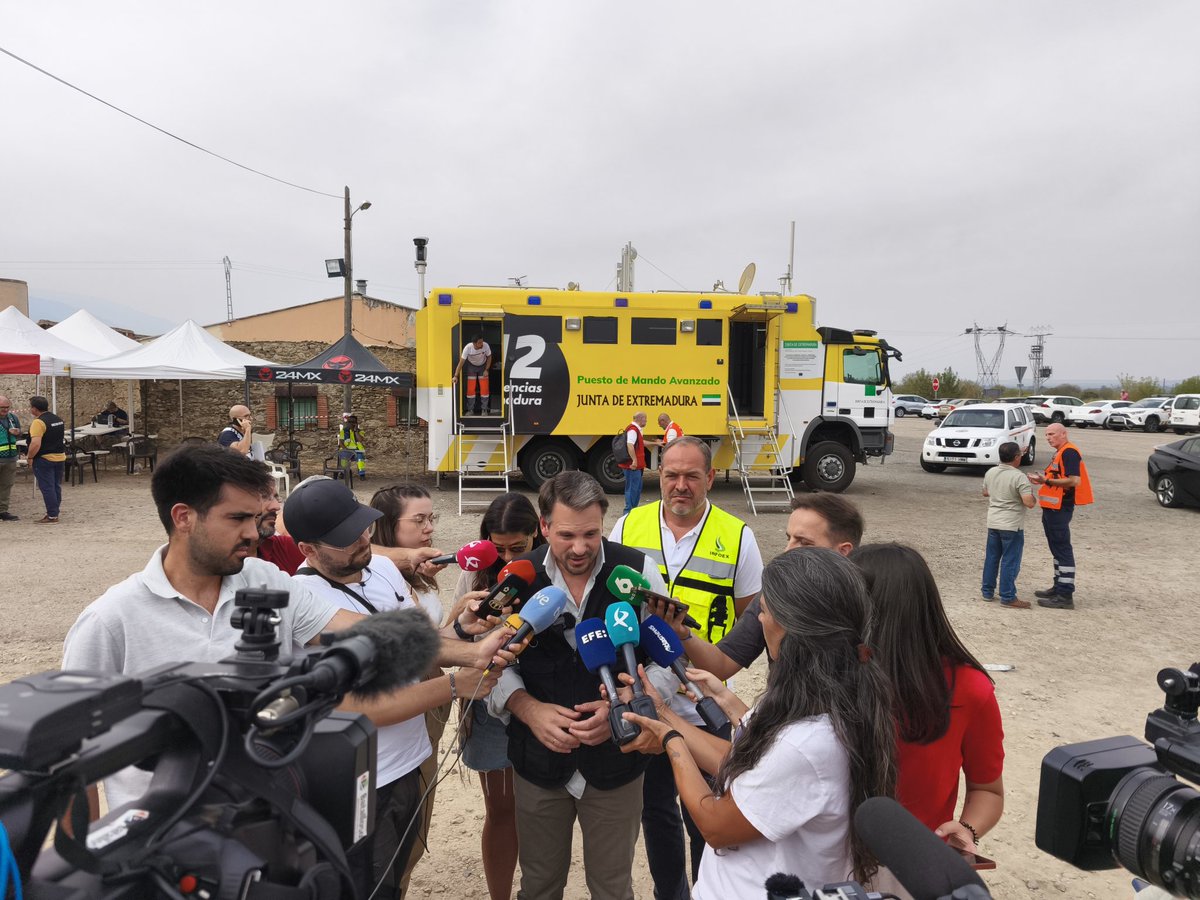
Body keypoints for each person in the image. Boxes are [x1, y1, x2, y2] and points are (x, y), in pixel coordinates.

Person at [61, 445, 514, 818]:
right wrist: (80, 857)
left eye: (255, 519)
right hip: (163, 844)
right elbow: (71, 762)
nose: (253, 534)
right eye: (237, 519)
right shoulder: (111, 621)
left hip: (272, 823)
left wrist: (469, 652)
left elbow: (365, 633)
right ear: (184, 517)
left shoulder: (264, 581)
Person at [618, 549, 897, 898]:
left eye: (763, 611)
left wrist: (671, 741)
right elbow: (742, 763)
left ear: (789, 627)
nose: (760, 620)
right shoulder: (821, 699)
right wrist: (661, 713)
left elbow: (716, 825)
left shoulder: (807, 740)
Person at [287, 479, 502, 897]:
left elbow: (416, 647)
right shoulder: (303, 601)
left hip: (410, 760)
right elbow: (359, 707)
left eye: (363, 526)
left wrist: (462, 634)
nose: (362, 539)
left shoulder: (384, 568)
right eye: (344, 537)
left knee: (395, 875)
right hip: (356, 782)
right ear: (308, 551)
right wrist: (459, 683)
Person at [487, 471, 676, 900]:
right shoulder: (517, 577)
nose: (580, 548)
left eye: (591, 534)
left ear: (603, 523)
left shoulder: (638, 572)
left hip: (618, 762)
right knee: (538, 886)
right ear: (544, 525)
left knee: (612, 888)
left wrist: (631, 707)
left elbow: (668, 657)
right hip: (537, 764)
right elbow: (493, 662)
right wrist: (525, 707)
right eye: (567, 535)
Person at [609, 435, 763, 898]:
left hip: (706, 707)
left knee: (707, 817)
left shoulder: (739, 537)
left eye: (691, 476)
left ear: (710, 478)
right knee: (655, 813)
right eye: (671, 475)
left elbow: (752, 623)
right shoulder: (628, 526)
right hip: (648, 700)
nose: (680, 485)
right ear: (659, 474)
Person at [849, 543, 1005, 854]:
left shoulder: (969, 689)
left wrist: (968, 828)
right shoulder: (828, 674)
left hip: (911, 863)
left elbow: (988, 789)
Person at [649, 492, 863, 682]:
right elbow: (722, 664)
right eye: (789, 539)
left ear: (843, 551)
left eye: (804, 543)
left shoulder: (874, 599)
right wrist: (683, 632)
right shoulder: (773, 596)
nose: (787, 551)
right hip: (786, 721)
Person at [447, 492, 544, 900]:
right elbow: (446, 635)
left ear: (537, 534)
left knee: (541, 811)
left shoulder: (555, 570)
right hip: (487, 704)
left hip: (543, 698)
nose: (505, 559)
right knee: (502, 812)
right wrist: (468, 619)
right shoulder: (475, 575)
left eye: (516, 548)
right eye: (497, 547)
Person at [368, 483, 452, 891]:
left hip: (429, 715)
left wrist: (464, 624)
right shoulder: (370, 578)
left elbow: (435, 642)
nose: (429, 528)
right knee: (394, 842)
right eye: (418, 520)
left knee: (417, 829)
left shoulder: (417, 578)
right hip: (402, 718)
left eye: (431, 518)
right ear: (385, 527)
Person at [1030, 422, 1093, 610]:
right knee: (1057, 548)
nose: (1048, 438)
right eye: (1046, 435)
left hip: (1060, 508)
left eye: (1052, 434)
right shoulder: (1061, 451)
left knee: (1062, 549)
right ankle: (1058, 587)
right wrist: (1043, 479)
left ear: (1063, 434)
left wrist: (1046, 480)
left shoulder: (1069, 452)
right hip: (1052, 507)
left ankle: (1065, 594)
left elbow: (1074, 481)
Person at [980, 442, 1035, 609]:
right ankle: (1008, 596)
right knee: (1010, 560)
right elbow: (1029, 503)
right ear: (1017, 457)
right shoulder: (1019, 477)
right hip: (1011, 524)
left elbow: (985, 492)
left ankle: (987, 591)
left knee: (992, 558)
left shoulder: (991, 472)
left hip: (994, 521)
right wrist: (1032, 497)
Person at [26, 395, 65, 524]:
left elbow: (35, 443)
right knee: (55, 486)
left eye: (31, 407)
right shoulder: (57, 419)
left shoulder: (38, 422)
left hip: (44, 459)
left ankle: (52, 515)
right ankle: (55, 512)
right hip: (60, 457)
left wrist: (30, 457)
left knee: (47, 487)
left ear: (34, 409)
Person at [254, 484, 306, 574]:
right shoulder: (224, 564)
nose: (277, 506)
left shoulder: (286, 547)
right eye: (264, 497)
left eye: (276, 498)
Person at [452, 333, 492, 416]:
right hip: (471, 367)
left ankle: (484, 410)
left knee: (484, 389)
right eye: (479, 343)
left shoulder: (486, 345)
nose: (482, 344)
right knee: (470, 389)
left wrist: (486, 369)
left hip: (483, 366)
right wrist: (456, 375)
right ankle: (470, 410)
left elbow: (489, 357)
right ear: (474, 343)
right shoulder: (468, 348)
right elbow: (461, 362)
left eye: (482, 342)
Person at [619, 411, 648, 516]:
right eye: (645, 419)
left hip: (636, 466)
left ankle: (632, 511)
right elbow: (630, 445)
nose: (646, 421)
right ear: (639, 419)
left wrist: (655, 443)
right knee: (632, 489)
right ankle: (628, 513)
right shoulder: (633, 430)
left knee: (636, 488)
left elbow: (640, 443)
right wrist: (634, 460)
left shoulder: (636, 430)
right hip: (632, 466)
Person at [0, 395, 20, 522]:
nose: (5, 410)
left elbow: (20, 432)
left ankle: (2, 511)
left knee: (6, 485)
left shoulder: (13, 418)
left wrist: (18, 432)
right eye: (2, 408)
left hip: (10, 458)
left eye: (7, 407)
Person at [338, 413, 368, 480]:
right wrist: (345, 449)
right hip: (346, 450)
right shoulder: (344, 431)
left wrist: (355, 431)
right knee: (344, 456)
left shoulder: (360, 431)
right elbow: (341, 442)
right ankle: (343, 472)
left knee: (360, 458)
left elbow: (360, 440)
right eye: (349, 422)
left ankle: (361, 474)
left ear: (356, 423)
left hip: (357, 450)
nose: (351, 423)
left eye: (353, 422)